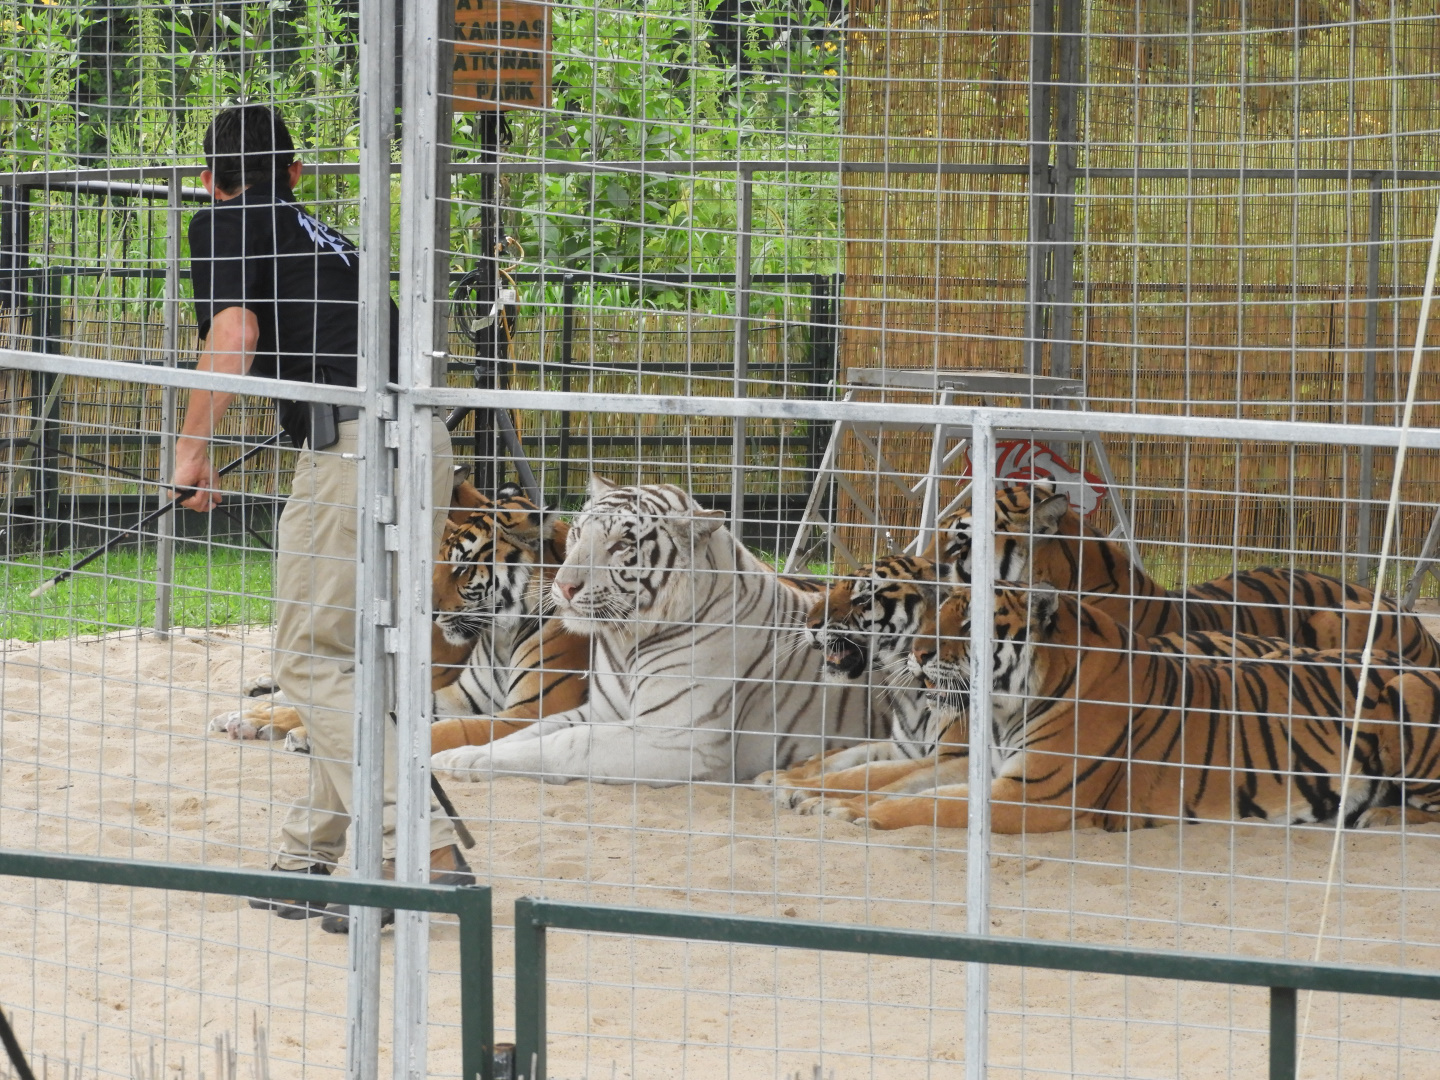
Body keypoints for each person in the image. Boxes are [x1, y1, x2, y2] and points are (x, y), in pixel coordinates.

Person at [176, 104, 472, 933]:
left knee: (308, 658)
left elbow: (233, 331)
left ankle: (418, 851)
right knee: (353, 657)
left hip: (353, 446)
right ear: (297, 172)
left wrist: (191, 448)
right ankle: (308, 857)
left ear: (211, 181)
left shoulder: (228, 221)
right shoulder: (328, 238)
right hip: (422, 442)